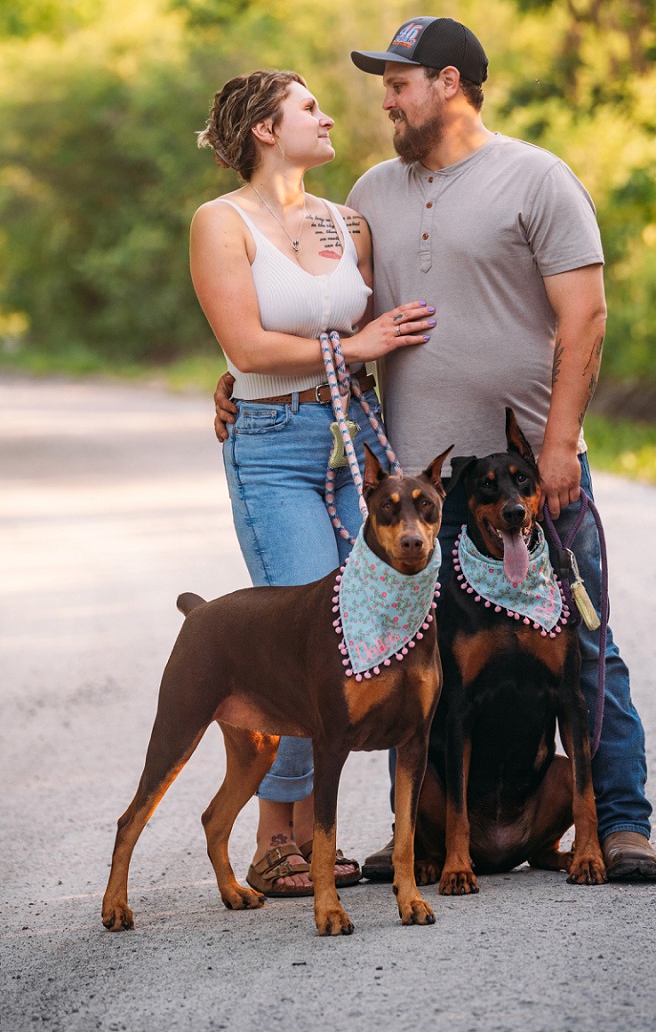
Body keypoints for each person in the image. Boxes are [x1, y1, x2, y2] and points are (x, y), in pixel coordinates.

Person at [215, 20, 656, 883]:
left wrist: (559, 445)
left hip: (525, 475)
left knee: (583, 641)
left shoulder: (538, 178)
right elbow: (327, 308)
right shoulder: (372, 192)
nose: (383, 99)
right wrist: (241, 372)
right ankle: (415, 827)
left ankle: (624, 820)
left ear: (448, 81)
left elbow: (587, 317)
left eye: (398, 82)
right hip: (419, 490)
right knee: (407, 652)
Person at [192, 68, 436, 896]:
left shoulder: (347, 221)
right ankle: (275, 840)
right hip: (272, 444)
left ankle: (338, 831)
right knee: (303, 634)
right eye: (308, 108)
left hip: (354, 450)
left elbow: (365, 321)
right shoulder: (220, 223)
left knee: (362, 634)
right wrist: (347, 351)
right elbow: (253, 347)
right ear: (266, 128)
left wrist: (358, 355)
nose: (329, 115)